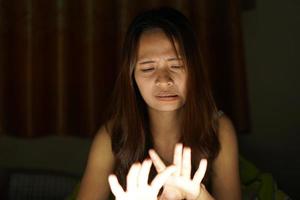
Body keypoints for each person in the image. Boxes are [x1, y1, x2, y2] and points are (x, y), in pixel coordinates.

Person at [77, 7, 241, 200]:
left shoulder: (219, 129)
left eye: (176, 65)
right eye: (147, 68)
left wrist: (199, 196)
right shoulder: (112, 136)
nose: (164, 81)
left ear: (195, 70)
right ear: (131, 77)